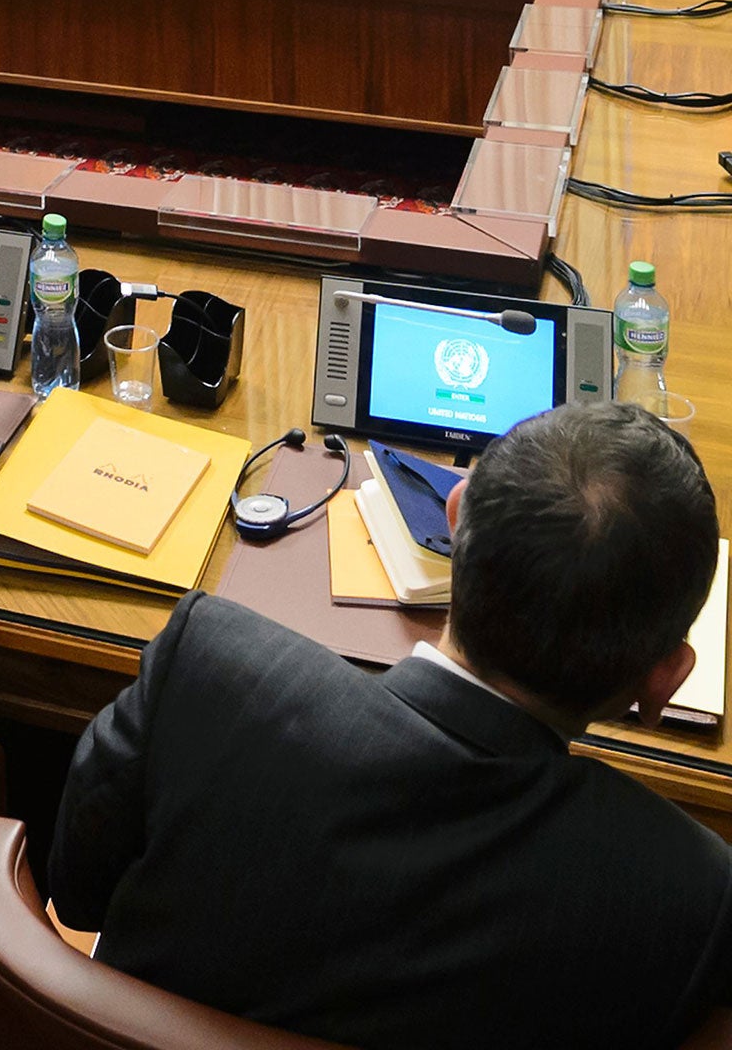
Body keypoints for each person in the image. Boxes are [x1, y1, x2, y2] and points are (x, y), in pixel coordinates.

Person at [49, 401, 732, 1050]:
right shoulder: (688, 895)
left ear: (454, 517)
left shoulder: (207, 672)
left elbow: (77, 900)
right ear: (663, 680)